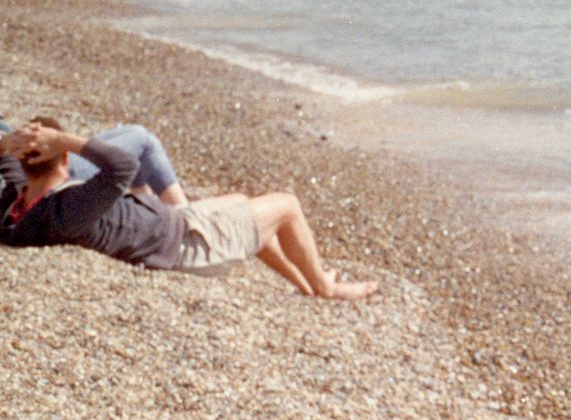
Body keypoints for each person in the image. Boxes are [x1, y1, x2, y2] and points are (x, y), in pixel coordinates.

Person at [0, 117, 375, 300]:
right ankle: (326, 286)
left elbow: (8, 168)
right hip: (189, 245)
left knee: (244, 206)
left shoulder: (19, 204)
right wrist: (64, 138)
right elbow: (122, 167)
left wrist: (10, 146)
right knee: (287, 205)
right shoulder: (69, 207)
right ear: (64, 158)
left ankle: (305, 283)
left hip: (176, 223)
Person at [0, 117, 187, 204]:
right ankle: (182, 216)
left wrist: (11, 140)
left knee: (132, 135)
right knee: (143, 140)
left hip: (21, 171)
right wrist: (59, 140)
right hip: (34, 178)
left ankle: (143, 202)